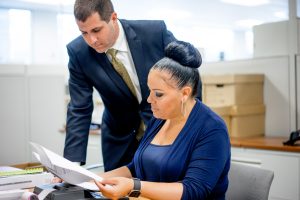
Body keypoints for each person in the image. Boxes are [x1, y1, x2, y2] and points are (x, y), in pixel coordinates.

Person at [63, 0, 202, 171]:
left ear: (113, 18)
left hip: (166, 131)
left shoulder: (154, 33)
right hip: (119, 139)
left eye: (96, 30)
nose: (91, 40)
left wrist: (190, 125)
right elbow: (79, 108)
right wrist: (70, 166)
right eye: (84, 33)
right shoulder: (79, 52)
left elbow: (189, 75)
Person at [94, 41, 231, 200]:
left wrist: (134, 186)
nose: (150, 99)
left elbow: (193, 190)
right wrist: (92, 179)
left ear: (185, 93)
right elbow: (136, 167)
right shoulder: (160, 119)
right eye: (149, 91)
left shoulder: (212, 129)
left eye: (158, 94)